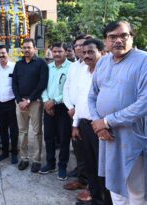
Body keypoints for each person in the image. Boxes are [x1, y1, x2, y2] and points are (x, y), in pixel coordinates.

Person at [88, 20, 147, 205]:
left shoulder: (144, 60)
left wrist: (106, 121)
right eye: (112, 37)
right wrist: (99, 125)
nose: (118, 41)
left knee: (136, 190)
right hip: (107, 137)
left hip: (132, 135)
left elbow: (144, 102)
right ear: (106, 41)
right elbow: (92, 96)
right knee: (114, 186)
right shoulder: (103, 62)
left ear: (132, 37)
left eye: (124, 36)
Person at [72, 39, 112, 205]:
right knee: (90, 166)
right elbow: (80, 101)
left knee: (104, 169)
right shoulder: (82, 72)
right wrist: (75, 124)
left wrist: (104, 125)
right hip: (84, 125)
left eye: (91, 52)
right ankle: (95, 199)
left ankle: (107, 201)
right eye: (84, 52)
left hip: (101, 127)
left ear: (102, 53)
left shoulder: (107, 73)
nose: (86, 55)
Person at [62, 34, 93, 202]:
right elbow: (67, 87)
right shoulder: (74, 66)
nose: (80, 48)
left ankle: (92, 187)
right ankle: (82, 180)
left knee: (91, 154)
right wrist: (70, 107)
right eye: (78, 46)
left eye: (83, 45)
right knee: (79, 150)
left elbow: (86, 94)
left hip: (87, 115)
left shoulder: (93, 66)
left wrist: (77, 109)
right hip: (73, 112)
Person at [12, 38, 48, 172]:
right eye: (24, 47)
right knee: (22, 131)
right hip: (20, 102)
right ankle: (24, 158)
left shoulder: (41, 63)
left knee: (37, 132)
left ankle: (37, 159)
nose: (26, 50)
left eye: (29, 47)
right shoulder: (19, 64)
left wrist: (29, 100)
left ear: (34, 49)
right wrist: (19, 100)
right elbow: (14, 83)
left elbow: (42, 84)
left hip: (35, 103)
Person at [39, 42, 72, 180]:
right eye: (55, 51)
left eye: (60, 51)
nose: (57, 54)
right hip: (48, 106)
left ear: (66, 52)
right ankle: (50, 164)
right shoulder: (48, 67)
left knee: (64, 138)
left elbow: (70, 89)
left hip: (63, 107)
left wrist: (55, 101)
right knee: (49, 137)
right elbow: (43, 85)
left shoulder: (72, 68)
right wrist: (47, 102)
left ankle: (62, 166)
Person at [0, 45, 18, 164]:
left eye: (3, 53)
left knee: (14, 129)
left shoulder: (15, 67)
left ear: (8, 53)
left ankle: (14, 153)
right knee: (2, 129)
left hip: (12, 103)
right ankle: (5, 152)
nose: (1, 55)